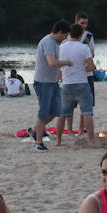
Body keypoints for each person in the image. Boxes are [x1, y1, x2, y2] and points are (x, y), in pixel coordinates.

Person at [30, 20, 73, 152]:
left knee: (56, 110)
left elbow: (54, 66)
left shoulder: (55, 43)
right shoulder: (48, 42)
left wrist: (59, 75)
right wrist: (67, 62)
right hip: (43, 82)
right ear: (59, 32)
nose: (65, 38)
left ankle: (33, 130)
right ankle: (38, 142)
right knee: (43, 112)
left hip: (52, 82)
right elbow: (52, 62)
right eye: (65, 35)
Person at [59, 22, 97, 146]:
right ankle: (91, 140)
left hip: (67, 83)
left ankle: (59, 141)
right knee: (87, 112)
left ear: (69, 34)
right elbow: (91, 66)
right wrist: (85, 69)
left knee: (63, 113)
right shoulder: (83, 47)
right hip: (81, 82)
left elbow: (59, 66)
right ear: (81, 35)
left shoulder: (62, 47)